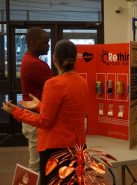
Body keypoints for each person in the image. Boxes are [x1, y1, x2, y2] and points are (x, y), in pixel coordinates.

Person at [2, 40, 89, 184]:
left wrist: (16, 112)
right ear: (75, 59)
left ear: (55, 59)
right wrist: (39, 105)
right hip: (77, 147)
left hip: (55, 151)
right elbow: (64, 113)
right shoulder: (82, 82)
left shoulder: (53, 84)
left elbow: (44, 121)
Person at [21, 27, 53, 172]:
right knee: (37, 163)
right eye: (45, 43)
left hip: (33, 116)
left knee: (39, 160)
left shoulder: (30, 60)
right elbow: (56, 86)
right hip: (35, 117)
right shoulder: (34, 64)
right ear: (31, 41)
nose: (48, 46)